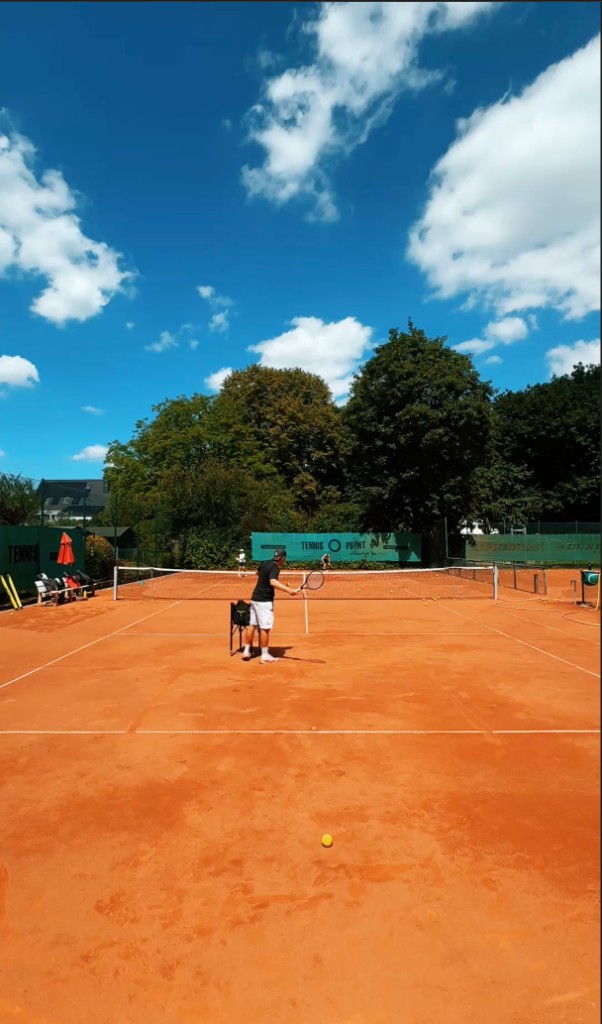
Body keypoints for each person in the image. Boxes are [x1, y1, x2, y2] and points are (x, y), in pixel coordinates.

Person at [242, 549, 298, 664]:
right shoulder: (275, 567)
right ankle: (265, 655)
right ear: (283, 558)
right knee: (265, 628)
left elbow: (257, 573)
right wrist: (288, 590)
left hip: (255, 597)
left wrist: (263, 580)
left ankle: (246, 651)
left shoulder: (264, 563)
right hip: (264, 601)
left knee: (252, 625)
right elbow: (272, 582)